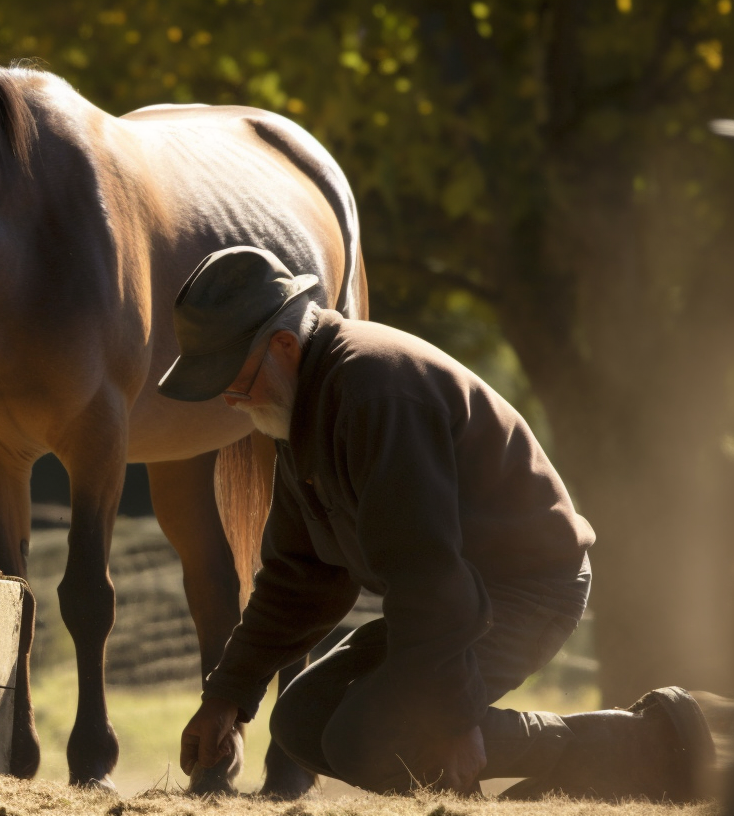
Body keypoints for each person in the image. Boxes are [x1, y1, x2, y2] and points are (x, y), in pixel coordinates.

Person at [159, 246, 715, 800]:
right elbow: (300, 578)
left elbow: (428, 568)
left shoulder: (375, 390)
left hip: (522, 590)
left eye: (233, 380)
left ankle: (648, 745)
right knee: (301, 720)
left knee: (375, 739)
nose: (230, 401)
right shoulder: (297, 406)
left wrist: (450, 718)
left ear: (283, 346)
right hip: (448, 597)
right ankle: (483, 774)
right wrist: (226, 695)